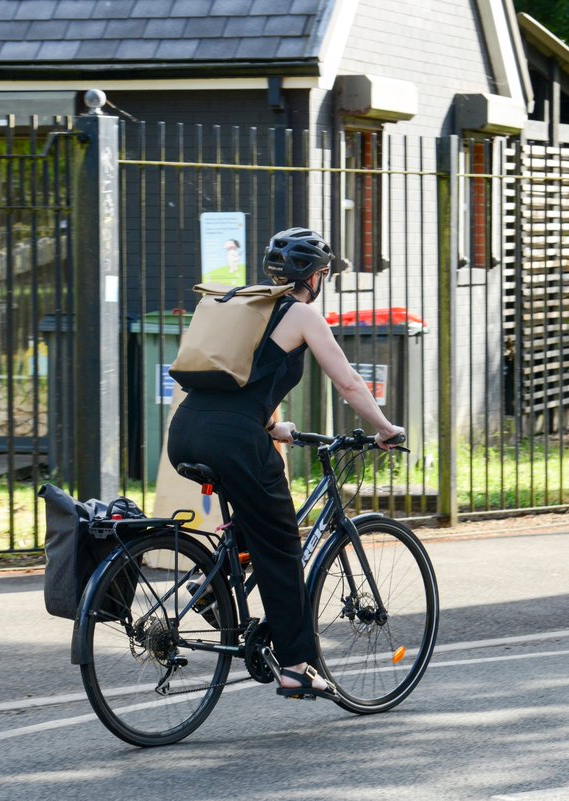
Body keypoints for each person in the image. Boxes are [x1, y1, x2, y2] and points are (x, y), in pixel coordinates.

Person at [167, 226, 405, 701]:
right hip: (234, 441)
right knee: (281, 547)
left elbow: (239, 378)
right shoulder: (300, 314)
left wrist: (274, 426)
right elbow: (349, 384)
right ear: (315, 277)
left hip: (187, 431)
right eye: (323, 273)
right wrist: (384, 429)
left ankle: (210, 583)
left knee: (254, 524)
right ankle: (296, 667)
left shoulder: (245, 305)